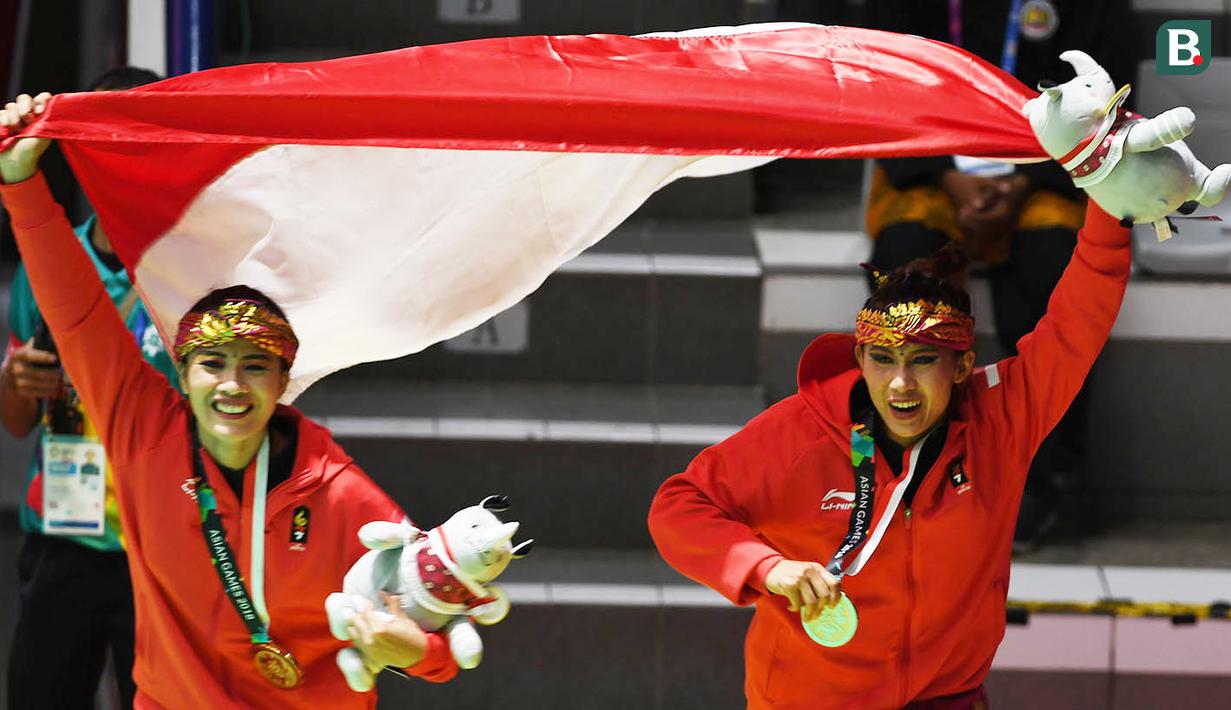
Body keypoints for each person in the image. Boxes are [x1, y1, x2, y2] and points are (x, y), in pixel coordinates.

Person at [1, 93, 458, 708]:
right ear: (181, 374)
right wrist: (20, 180)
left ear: (283, 380)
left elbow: (441, 628)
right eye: (212, 365)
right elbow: (76, 309)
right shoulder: (143, 433)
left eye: (255, 367)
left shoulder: (339, 492)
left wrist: (418, 656)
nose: (232, 386)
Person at [648, 195, 1131, 705]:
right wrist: (767, 567)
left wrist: (1111, 206)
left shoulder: (1003, 416)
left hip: (947, 698)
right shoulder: (801, 432)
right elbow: (678, 505)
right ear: (860, 357)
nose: (900, 384)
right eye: (883, 359)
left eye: (923, 360)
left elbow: (1077, 325)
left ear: (962, 367)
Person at [860, 0, 1136, 550]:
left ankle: (1045, 478)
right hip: (929, 169)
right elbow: (881, 90)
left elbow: (1112, 106)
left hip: (1051, 176)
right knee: (905, 275)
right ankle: (907, 470)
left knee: (1055, 276)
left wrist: (1025, 185)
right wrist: (949, 177)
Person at [0, 67, 178, 709]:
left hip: (162, 552)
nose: (119, 160)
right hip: (62, 544)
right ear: (78, 151)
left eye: (137, 144)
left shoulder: (190, 278)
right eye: (104, 143)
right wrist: (15, 382)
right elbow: (18, 421)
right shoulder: (47, 260)